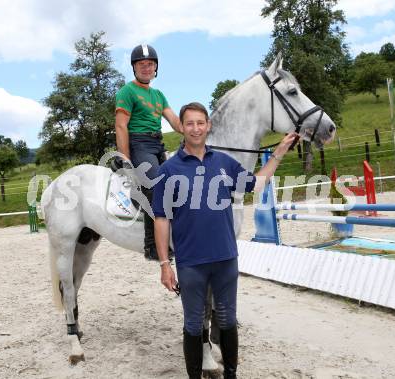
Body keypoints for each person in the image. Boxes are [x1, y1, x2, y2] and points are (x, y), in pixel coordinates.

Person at [153, 102, 297, 378]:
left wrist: (277, 154)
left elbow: (255, 184)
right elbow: (161, 219)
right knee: (193, 325)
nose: (195, 128)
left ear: (208, 126)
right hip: (191, 263)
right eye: (190, 123)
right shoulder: (168, 171)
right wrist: (164, 263)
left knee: (228, 320)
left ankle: (230, 374)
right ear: (181, 128)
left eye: (200, 123)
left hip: (225, 259)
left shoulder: (223, 163)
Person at [115, 44, 181, 260]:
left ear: (156, 68)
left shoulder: (159, 95)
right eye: (142, 64)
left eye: (150, 64)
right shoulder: (127, 91)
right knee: (155, 184)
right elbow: (121, 126)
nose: (146, 68)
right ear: (134, 68)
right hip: (138, 144)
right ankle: (152, 246)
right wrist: (125, 160)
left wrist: (198, 128)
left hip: (158, 144)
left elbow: (175, 122)